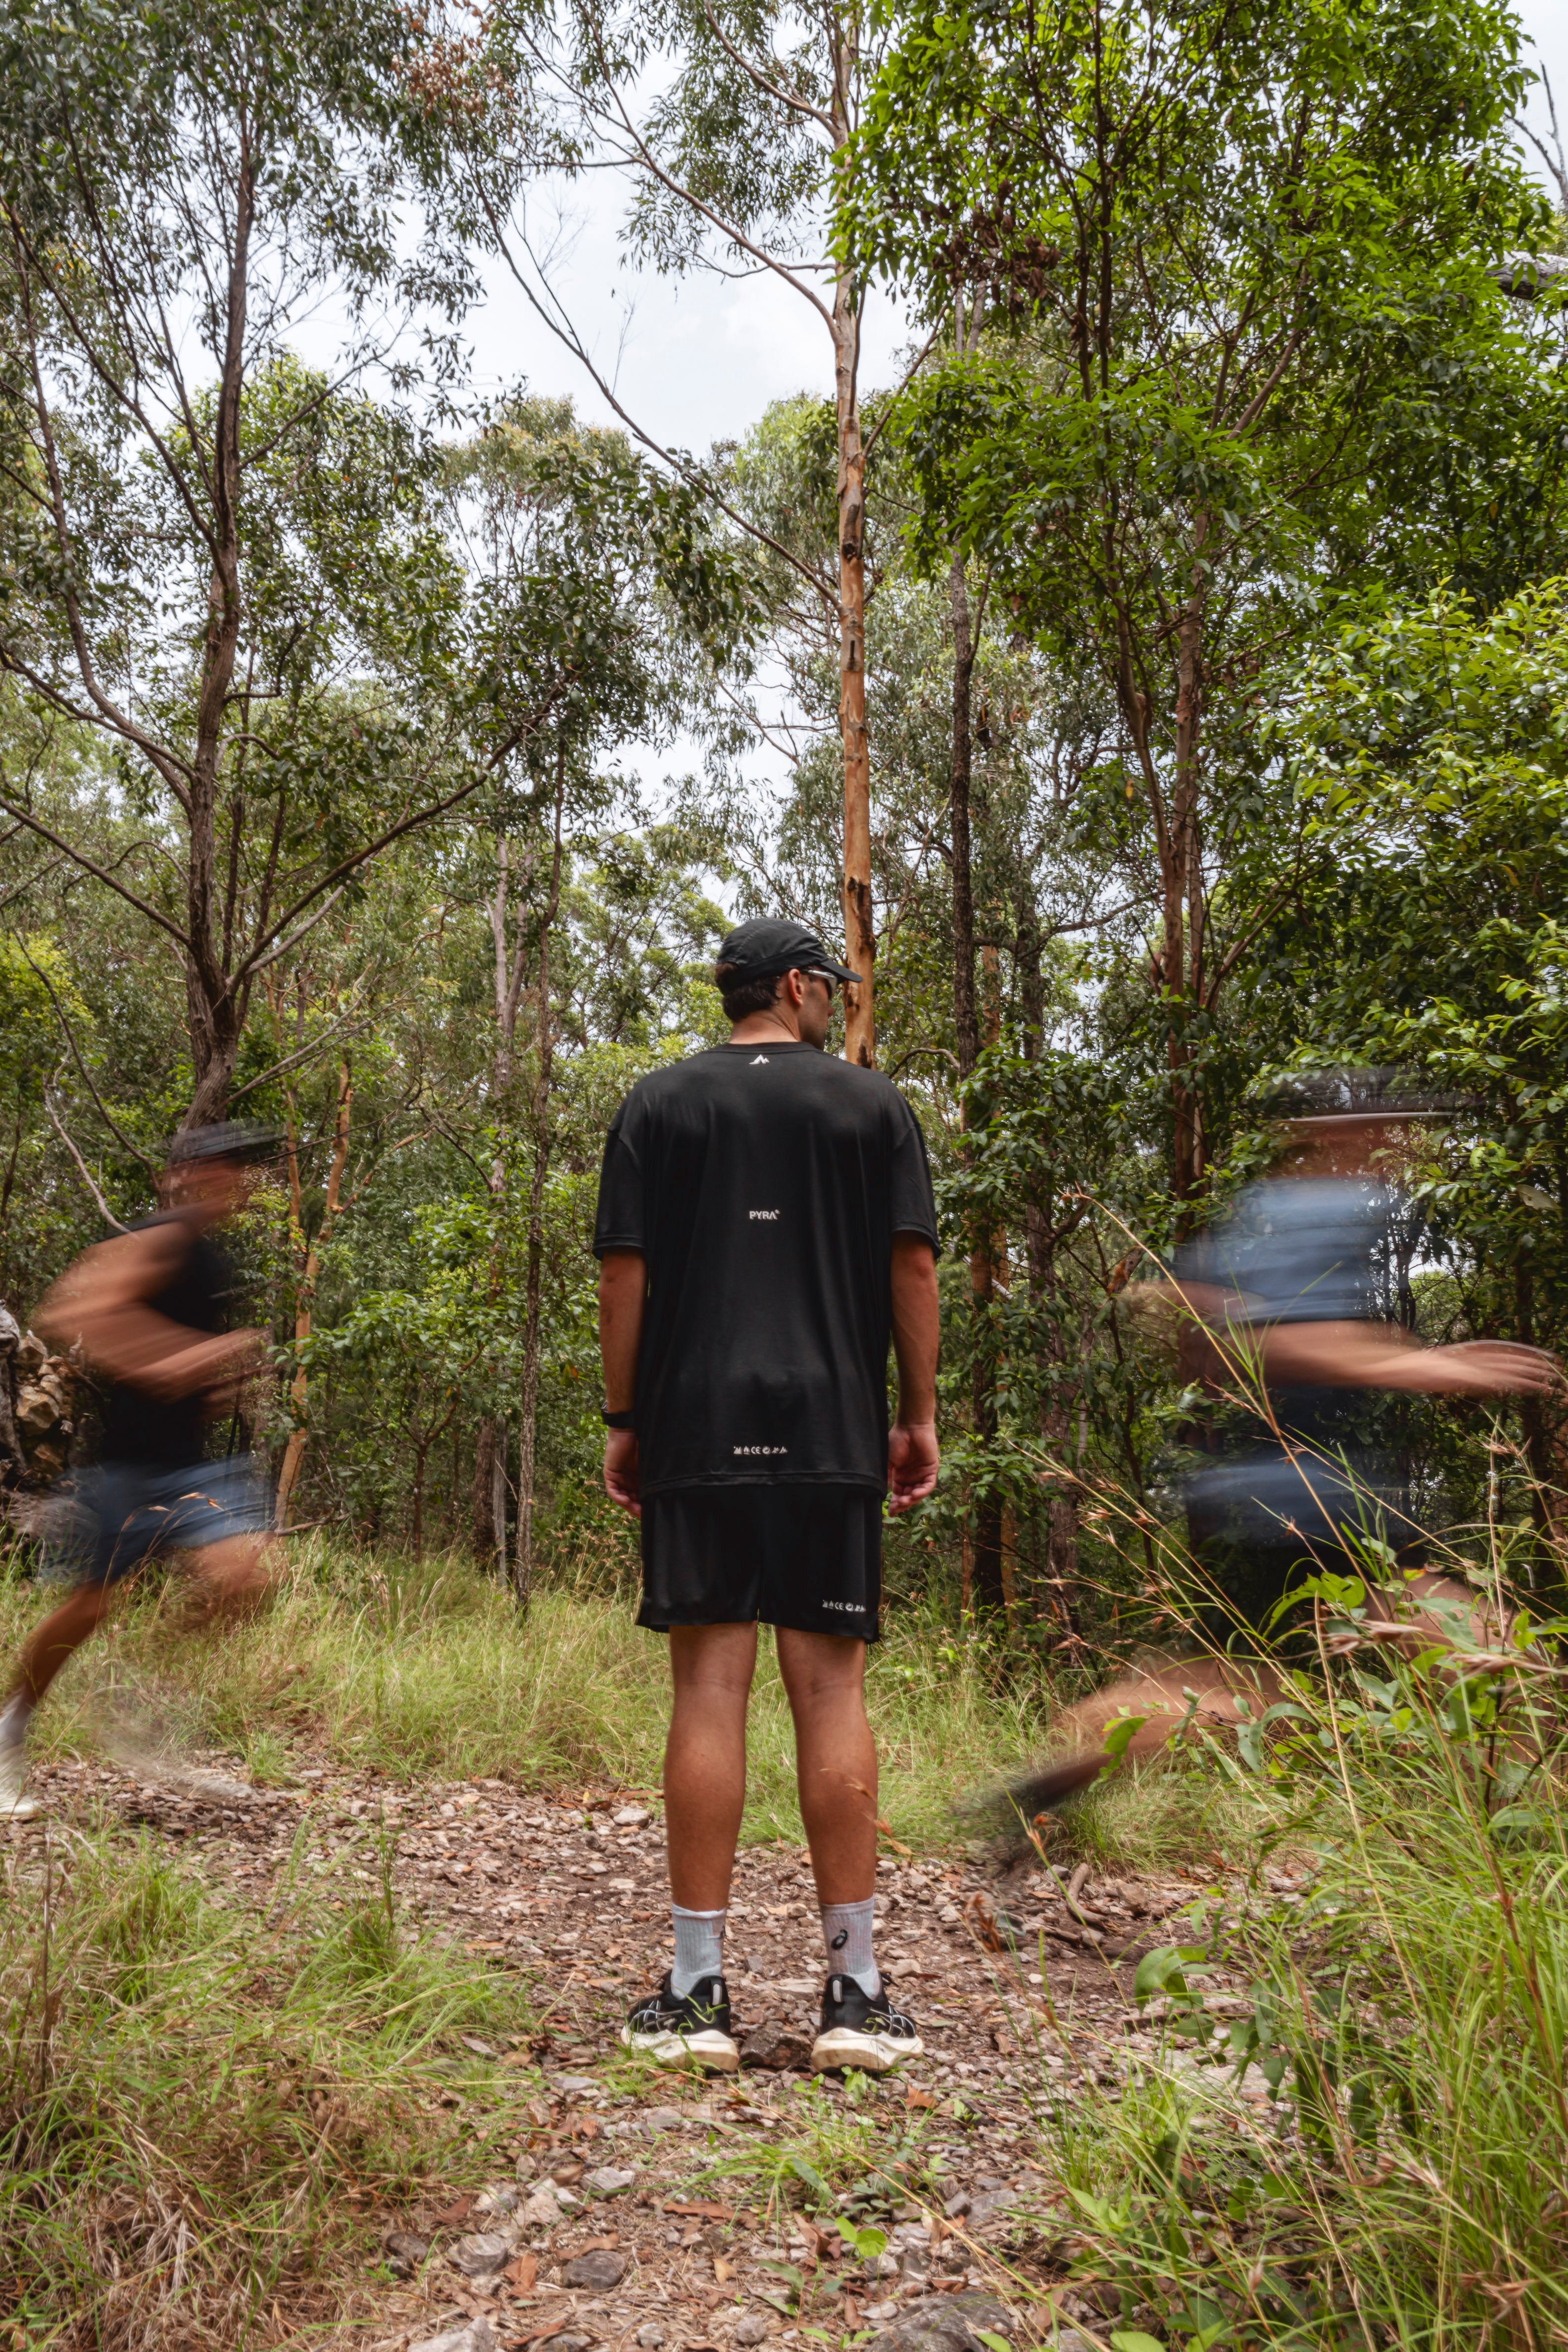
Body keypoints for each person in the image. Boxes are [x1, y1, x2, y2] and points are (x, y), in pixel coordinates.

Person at [593, 919, 941, 2074]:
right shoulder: (870, 1106)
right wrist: (917, 1413)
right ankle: (854, 1993)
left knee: (708, 1685)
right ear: (795, 987)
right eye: (827, 990)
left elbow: (625, 1273)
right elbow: (913, 1265)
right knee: (829, 1689)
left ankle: (696, 1994)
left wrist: (627, 1420)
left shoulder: (655, 1104)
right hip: (831, 1423)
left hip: (695, 1422)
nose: (833, 1006)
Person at [1016, 1072, 1560, 1811]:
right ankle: (1518, 1849)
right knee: (1504, 1664)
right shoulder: (1310, 1211)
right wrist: (1428, 1365)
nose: (1404, 1143)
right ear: (1339, 1133)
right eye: (1396, 1127)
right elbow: (1279, 1341)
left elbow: (1207, 1314)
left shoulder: (1294, 1208)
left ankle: (1088, 1749)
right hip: (1309, 1490)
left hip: (1303, 1487)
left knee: (1275, 1696)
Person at [0, 1122, 282, 1821]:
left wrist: (224, 1378)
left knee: (246, 1577)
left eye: (236, 1171)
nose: (229, 1183)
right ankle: (9, 1730)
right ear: (183, 1177)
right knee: (87, 1609)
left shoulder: (217, 1261)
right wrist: (178, 1361)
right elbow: (72, 1310)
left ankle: (139, 1704)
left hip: (191, 1465)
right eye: (215, 1169)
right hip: (124, 1465)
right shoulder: (160, 1238)